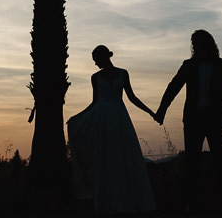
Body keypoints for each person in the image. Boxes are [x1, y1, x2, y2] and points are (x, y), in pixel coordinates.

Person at [67, 45, 157, 214]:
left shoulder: (123, 73)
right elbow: (94, 102)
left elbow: (132, 97)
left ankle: (126, 199)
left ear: (103, 57)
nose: (95, 64)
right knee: (107, 157)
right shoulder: (95, 77)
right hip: (102, 119)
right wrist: (77, 117)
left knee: (123, 154)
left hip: (119, 117)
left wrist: (151, 112)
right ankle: (111, 200)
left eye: (96, 60)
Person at [154, 30, 222, 212]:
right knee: (192, 163)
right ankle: (193, 203)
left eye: (198, 43)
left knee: (220, 162)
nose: (195, 46)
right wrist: (162, 110)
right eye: (194, 43)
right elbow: (173, 87)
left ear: (207, 44)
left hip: (215, 119)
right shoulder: (188, 65)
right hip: (193, 119)